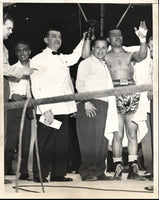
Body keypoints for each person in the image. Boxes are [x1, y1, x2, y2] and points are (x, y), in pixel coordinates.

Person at [30, 28, 90, 182]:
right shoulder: (37, 59)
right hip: (48, 109)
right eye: (54, 36)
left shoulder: (63, 58)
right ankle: (40, 175)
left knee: (61, 144)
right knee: (45, 143)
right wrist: (45, 109)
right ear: (46, 40)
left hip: (63, 108)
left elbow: (76, 56)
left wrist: (84, 39)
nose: (57, 39)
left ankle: (58, 174)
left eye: (60, 37)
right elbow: (37, 86)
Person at [105, 21, 148, 180]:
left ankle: (133, 168)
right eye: (114, 35)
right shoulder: (105, 55)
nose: (117, 37)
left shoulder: (130, 54)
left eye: (119, 34)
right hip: (113, 93)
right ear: (109, 39)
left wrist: (142, 39)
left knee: (132, 131)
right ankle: (117, 166)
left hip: (131, 92)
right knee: (118, 132)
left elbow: (142, 56)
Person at [76, 37, 114, 181]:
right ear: (92, 48)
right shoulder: (86, 63)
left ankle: (99, 171)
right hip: (89, 103)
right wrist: (85, 101)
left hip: (105, 104)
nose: (100, 50)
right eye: (97, 47)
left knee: (102, 139)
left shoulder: (105, 65)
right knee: (89, 140)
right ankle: (86, 172)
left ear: (107, 49)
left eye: (104, 48)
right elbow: (79, 83)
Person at [3, 14, 34, 184]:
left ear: (29, 52)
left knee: (26, 141)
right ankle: (4, 171)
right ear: (15, 53)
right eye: (19, 51)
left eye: (25, 50)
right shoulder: (11, 69)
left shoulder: (35, 67)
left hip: (29, 106)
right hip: (14, 106)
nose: (22, 53)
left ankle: (23, 172)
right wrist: (11, 96)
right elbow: (6, 89)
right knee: (10, 141)